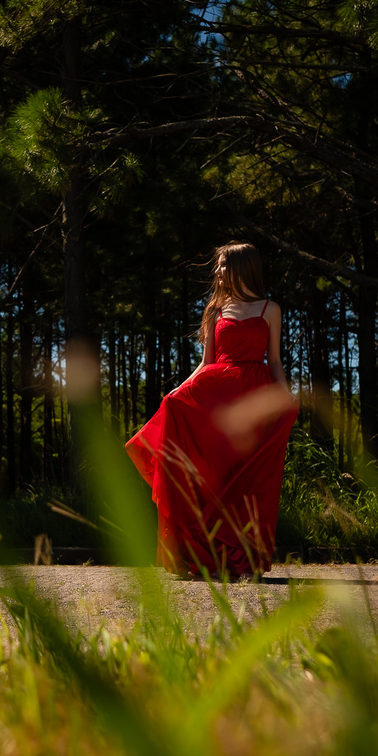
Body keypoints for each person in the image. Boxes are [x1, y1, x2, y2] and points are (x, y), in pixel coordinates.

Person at [126, 241, 298, 579]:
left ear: (240, 267)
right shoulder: (215, 310)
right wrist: (178, 391)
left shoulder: (269, 309)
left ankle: (244, 562)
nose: (217, 272)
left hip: (253, 399)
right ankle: (197, 557)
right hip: (216, 398)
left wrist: (285, 396)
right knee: (212, 479)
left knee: (247, 482)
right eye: (217, 266)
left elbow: (274, 361)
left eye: (221, 265)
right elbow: (206, 363)